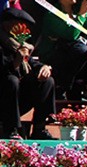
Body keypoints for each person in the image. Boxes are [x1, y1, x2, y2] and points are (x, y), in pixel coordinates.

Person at [0, 8, 55, 139]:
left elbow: (31, 63)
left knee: (47, 81)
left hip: (18, 99)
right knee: (11, 80)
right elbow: (4, 71)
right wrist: (16, 61)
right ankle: (11, 129)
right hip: (4, 97)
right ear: (7, 24)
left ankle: (39, 128)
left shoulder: (17, 44)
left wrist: (44, 68)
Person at [36, 0, 87, 100]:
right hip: (54, 59)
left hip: (76, 58)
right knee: (81, 49)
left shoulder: (77, 12)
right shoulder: (52, 14)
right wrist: (82, 15)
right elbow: (71, 34)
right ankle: (62, 89)